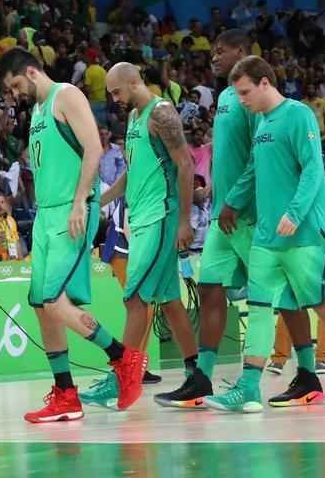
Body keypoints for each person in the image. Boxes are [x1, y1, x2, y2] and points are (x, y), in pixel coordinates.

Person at [155, 29, 320, 409]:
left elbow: (257, 159)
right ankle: (202, 379)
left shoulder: (253, 102)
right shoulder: (229, 97)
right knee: (210, 287)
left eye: (220, 50)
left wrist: (234, 200)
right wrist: (216, 194)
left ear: (241, 52)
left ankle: (307, 372)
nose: (213, 56)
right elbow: (231, 155)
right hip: (221, 214)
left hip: (246, 215)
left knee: (284, 296)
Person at [203, 55, 325, 412]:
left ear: (266, 83)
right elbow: (253, 169)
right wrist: (231, 202)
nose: (241, 100)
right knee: (260, 307)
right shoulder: (263, 121)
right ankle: (249, 387)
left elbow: (314, 168)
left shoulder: (298, 115)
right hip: (267, 238)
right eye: (237, 94)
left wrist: (295, 214)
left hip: (305, 236)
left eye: (246, 92)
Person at [0, 48, 143, 423]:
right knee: (41, 306)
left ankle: (122, 358)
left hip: (71, 210)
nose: (15, 93)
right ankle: (65, 394)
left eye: (16, 84)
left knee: (55, 303)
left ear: (30, 72)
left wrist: (81, 200)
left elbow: (93, 148)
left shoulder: (67, 95)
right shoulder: (38, 112)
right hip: (47, 215)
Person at [95, 62, 199, 410]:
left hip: (161, 218)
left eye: (116, 91)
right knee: (169, 302)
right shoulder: (134, 118)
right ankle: (196, 374)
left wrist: (184, 220)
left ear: (134, 81)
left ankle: (121, 379)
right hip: (140, 220)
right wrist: (101, 201)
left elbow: (185, 164)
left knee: (135, 299)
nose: (113, 99)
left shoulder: (161, 113)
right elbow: (132, 171)